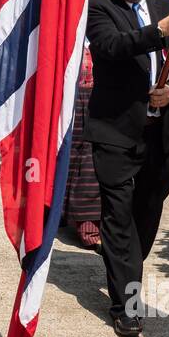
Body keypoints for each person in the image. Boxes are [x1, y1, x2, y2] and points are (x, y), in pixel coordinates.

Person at [85, 0, 169, 337]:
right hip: (115, 131)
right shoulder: (99, 7)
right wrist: (158, 33)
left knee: (146, 217)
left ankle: (122, 262)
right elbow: (111, 47)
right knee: (118, 220)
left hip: (160, 134)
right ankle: (127, 306)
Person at [63, 45, 103, 247]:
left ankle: (89, 227)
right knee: (64, 156)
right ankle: (58, 212)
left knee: (91, 162)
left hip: (100, 93)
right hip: (66, 92)